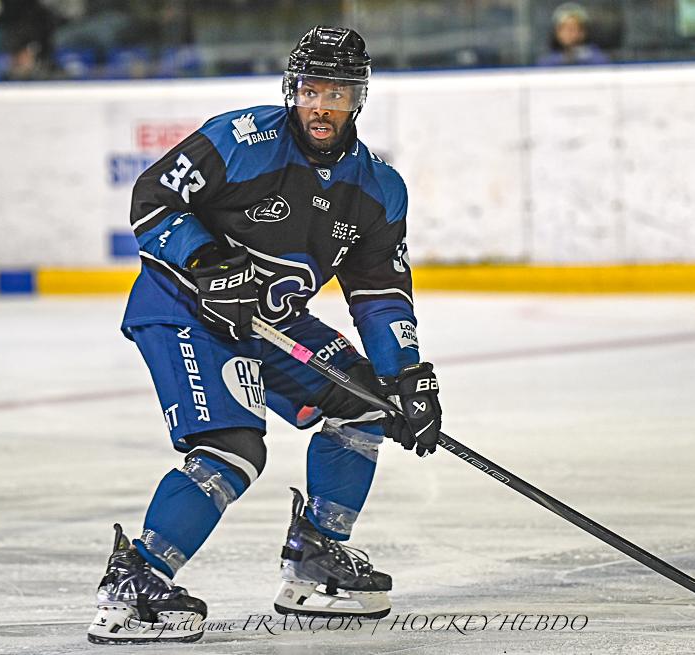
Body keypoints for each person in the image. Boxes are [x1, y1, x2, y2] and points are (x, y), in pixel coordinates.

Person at [87, 26, 443, 644]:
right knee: (234, 448)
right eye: (311, 90)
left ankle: (316, 556)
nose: (321, 107)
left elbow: (381, 293)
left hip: (271, 323)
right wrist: (204, 263)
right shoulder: (241, 139)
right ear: (291, 90)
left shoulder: (378, 189)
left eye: (337, 93)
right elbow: (154, 199)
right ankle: (136, 582)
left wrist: (408, 375)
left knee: (366, 405)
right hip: (185, 309)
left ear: (359, 98)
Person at [537, 2, 610, 66]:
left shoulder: (597, 60)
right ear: (557, 32)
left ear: (583, 32)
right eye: (564, 28)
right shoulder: (546, 62)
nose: (568, 32)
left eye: (573, 28)